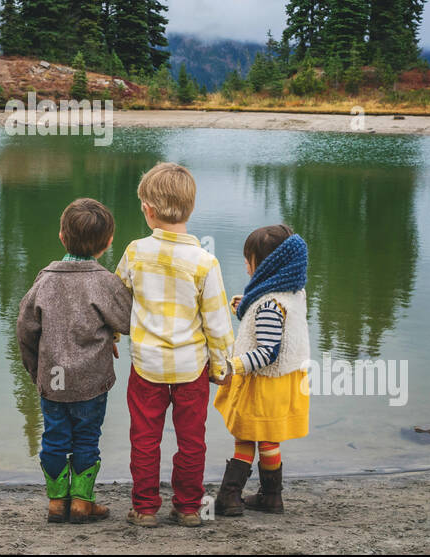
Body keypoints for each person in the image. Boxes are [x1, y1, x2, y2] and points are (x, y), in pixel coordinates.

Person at [115, 162, 233, 527]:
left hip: (147, 367)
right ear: (191, 208)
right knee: (192, 440)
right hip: (190, 368)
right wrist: (221, 366)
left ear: (148, 211)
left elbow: (118, 299)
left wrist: (113, 337)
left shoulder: (136, 252)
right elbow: (217, 323)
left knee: (145, 439)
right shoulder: (204, 262)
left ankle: (145, 508)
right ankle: (187, 507)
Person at [16, 197, 132, 523]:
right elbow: (127, 320)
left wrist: (34, 370)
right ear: (108, 243)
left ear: (62, 237)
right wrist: (109, 331)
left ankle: (56, 503)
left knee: (54, 437)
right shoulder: (105, 282)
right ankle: (82, 502)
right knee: (86, 438)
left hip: (52, 379)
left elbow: (25, 329)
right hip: (91, 380)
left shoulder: (45, 280)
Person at [213, 224, 310, 515]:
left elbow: (267, 352)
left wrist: (234, 365)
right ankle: (272, 497)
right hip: (284, 383)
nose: (246, 263)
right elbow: (271, 323)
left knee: (245, 437)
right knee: (269, 439)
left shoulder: (268, 304)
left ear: (268, 265)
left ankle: (229, 498)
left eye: (250, 259)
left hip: (262, 384)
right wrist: (245, 306)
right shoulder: (292, 294)